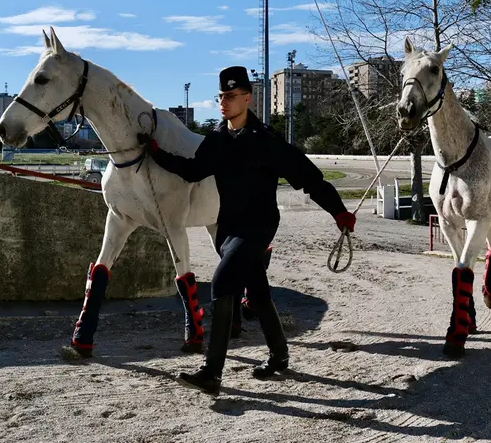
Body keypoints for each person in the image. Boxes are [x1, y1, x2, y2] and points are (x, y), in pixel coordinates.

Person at [141, 66, 356, 395]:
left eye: (230, 96)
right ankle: (280, 355)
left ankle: (212, 373)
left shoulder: (266, 142)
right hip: (227, 230)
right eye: (220, 96)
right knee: (257, 291)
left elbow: (311, 179)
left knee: (224, 281)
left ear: (247, 98)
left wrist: (339, 211)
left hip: (258, 226)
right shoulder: (217, 140)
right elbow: (192, 170)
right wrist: (156, 154)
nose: (223, 102)